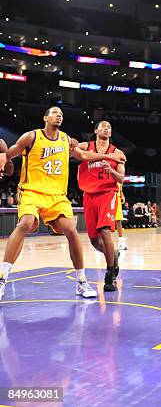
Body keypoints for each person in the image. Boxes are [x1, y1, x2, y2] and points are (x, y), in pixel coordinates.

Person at [0, 107, 126, 300]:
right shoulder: (31, 137)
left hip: (57, 196)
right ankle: (2, 278)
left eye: (61, 114)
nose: (59, 115)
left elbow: (83, 156)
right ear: (45, 118)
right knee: (25, 223)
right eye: (55, 113)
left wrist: (109, 157)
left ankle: (81, 282)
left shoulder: (66, 140)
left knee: (71, 229)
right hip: (32, 191)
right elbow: (10, 154)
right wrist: (4, 159)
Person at [77, 120, 125, 292]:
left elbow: (121, 178)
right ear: (96, 130)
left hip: (107, 194)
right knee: (94, 241)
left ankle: (110, 274)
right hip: (89, 195)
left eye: (109, 127)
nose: (106, 128)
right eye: (103, 126)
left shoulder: (117, 152)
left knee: (105, 231)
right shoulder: (85, 146)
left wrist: (111, 170)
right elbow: (71, 150)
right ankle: (114, 256)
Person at [115, 182, 128, 250]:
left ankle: (121, 243)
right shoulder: (109, 173)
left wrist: (122, 195)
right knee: (106, 222)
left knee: (118, 221)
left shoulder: (119, 177)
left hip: (117, 198)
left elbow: (120, 188)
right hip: (108, 198)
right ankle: (101, 243)